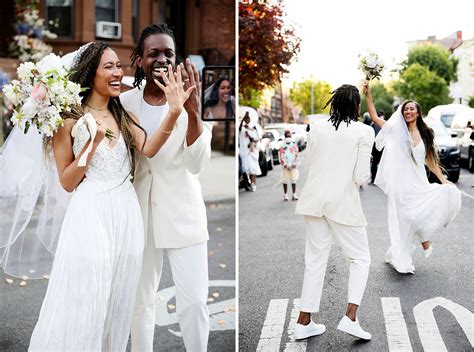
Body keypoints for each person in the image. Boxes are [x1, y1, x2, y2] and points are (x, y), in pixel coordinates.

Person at [26, 41, 193, 351]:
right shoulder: (67, 121)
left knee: (118, 299)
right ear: (91, 74)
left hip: (126, 213)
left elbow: (150, 148)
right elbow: (67, 181)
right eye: (110, 67)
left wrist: (173, 111)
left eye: (119, 65)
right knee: (88, 298)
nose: (119, 72)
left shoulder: (124, 114)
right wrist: (90, 146)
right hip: (91, 215)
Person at [119, 24, 212, 352]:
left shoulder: (190, 100)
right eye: (153, 53)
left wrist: (193, 112)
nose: (161, 59)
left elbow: (197, 165)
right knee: (140, 303)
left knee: (194, 303)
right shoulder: (124, 102)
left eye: (168, 53)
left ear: (176, 59)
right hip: (139, 217)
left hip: (183, 216)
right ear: (140, 59)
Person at [294, 84, 374, 341]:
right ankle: (350, 317)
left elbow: (309, 164)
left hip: (314, 199)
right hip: (342, 202)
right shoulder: (363, 131)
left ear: (335, 104)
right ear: (356, 106)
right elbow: (361, 177)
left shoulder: (317, 128)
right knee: (360, 259)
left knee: (314, 261)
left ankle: (304, 321)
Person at [364, 81, 461, 274]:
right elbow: (374, 116)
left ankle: (417, 242)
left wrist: (443, 180)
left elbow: (431, 160)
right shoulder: (396, 131)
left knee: (417, 214)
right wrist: (368, 94)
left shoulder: (426, 133)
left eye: (411, 109)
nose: (408, 112)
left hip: (418, 180)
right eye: (405, 109)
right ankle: (410, 253)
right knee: (405, 217)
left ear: (417, 112)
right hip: (400, 182)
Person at [239, 111, 257, 191]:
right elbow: (239, 128)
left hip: (250, 152)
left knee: (252, 168)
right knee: (245, 169)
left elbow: (255, 139)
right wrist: (243, 118)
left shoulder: (252, 130)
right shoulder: (241, 129)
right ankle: (246, 185)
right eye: (246, 120)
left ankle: (253, 184)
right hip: (243, 152)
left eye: (248, 120)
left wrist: (252, 141)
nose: (247, 121)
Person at [279, 129, 299, 201]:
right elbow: (281, 155)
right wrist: (285, 165)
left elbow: (296, 154)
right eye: (287, 136)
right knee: (285, 180)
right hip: (286, 166)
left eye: (289, 135)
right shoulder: (282, 145)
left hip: (293, 165)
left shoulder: (294, 144)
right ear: (285, 136)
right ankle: (285, 195)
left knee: (294, 180)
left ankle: (294, 194)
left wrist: (294, 163)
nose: (288, 137)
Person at [370, 110, 385, 183]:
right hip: (383, 146)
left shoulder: (373, 124)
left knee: (374, 163)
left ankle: (373, 179)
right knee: (382, 163)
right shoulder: (385, 124)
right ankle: (380, 179)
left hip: (374, 145)